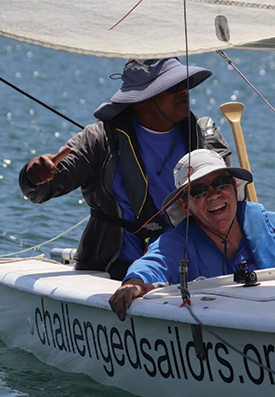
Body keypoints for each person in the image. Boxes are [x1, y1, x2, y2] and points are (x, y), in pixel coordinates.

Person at [19, 58, 232, 280]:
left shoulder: (205, 136)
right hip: (115, 269)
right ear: (141, 98)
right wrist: (33, 176)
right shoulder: (99, 139)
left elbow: (234, 199)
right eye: (172, 86)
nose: (184, 91)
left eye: (185, 82)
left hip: (192, 268)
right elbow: (39, 191)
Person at [109, 149, 275, 321]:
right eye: (199, 191)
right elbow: (151, 265)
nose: (214, 195)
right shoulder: (176, 244)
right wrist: (133, 283)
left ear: (233, 186)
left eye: (221, 183)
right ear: (184, 205)